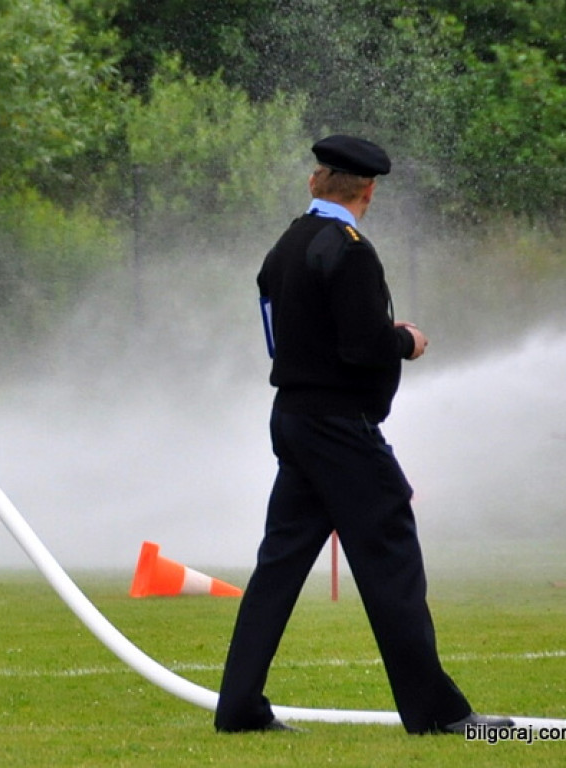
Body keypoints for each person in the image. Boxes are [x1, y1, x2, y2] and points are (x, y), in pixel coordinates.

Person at [214, 135, 514, 735]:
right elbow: (361, 346)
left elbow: (287, 339)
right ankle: (437, 713)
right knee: (392, 560)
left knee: (278, 566)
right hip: (339, 429)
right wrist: (405, 340)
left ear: (314, 182)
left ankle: (240, 706)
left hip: (294, 418)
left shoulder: (284, 247)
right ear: (369, 190)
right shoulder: (348, 250)